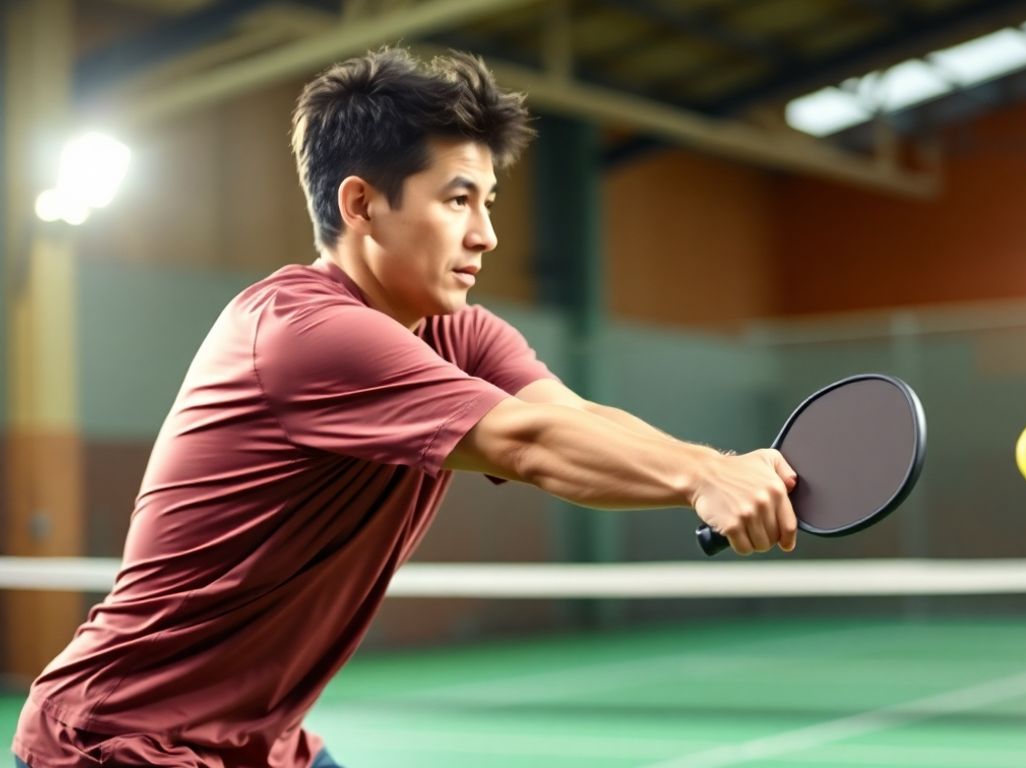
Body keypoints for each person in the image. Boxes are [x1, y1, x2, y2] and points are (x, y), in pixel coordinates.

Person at [11, 47, 797, 768]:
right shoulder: (302, 331)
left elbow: (571, 419)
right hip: (118, 741)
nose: (486, 235)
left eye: (488, 201)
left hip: (263, 744)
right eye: (458, 200)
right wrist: (703, 478)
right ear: (360, 203)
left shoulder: (458, 331)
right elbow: (528, 443)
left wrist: (719, 467)